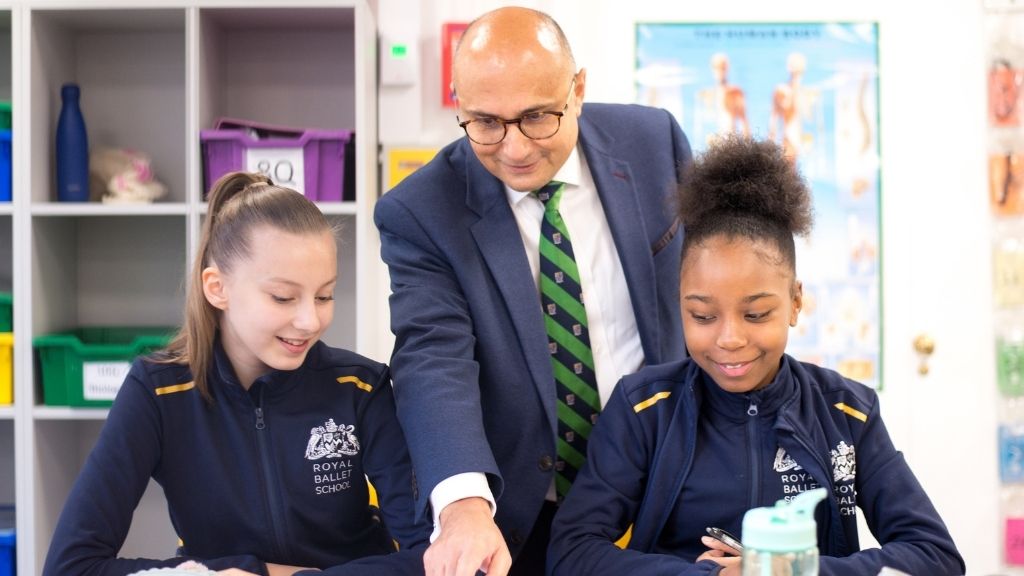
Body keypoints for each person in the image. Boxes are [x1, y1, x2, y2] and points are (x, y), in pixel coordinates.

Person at [547, 135, 965, 576]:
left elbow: (935, 557)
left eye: (756, 313)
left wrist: (792, 572)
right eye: (703, 316)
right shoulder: (644, 409)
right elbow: (572, 552)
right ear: (681, 304)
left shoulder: (847, 414)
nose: (729, 338)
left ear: (795, 302)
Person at [373, 6, 692, 576]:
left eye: (538, 117)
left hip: (669, 489)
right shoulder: (420, 211)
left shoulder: (652, 144)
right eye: (486, 123)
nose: (515, 148)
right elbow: (432, 358)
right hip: (524, 515)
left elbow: (713, 286)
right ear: (459, 105)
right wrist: (464, 505)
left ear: (579, 89)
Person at [44, 172, 431, 576]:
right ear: (217, 288)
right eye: (283, 297)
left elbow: (436, 555)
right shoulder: (158, 392)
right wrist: (248, 570)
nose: (309, 320)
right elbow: (71, 567)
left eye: (324, 295)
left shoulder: (361, 387)